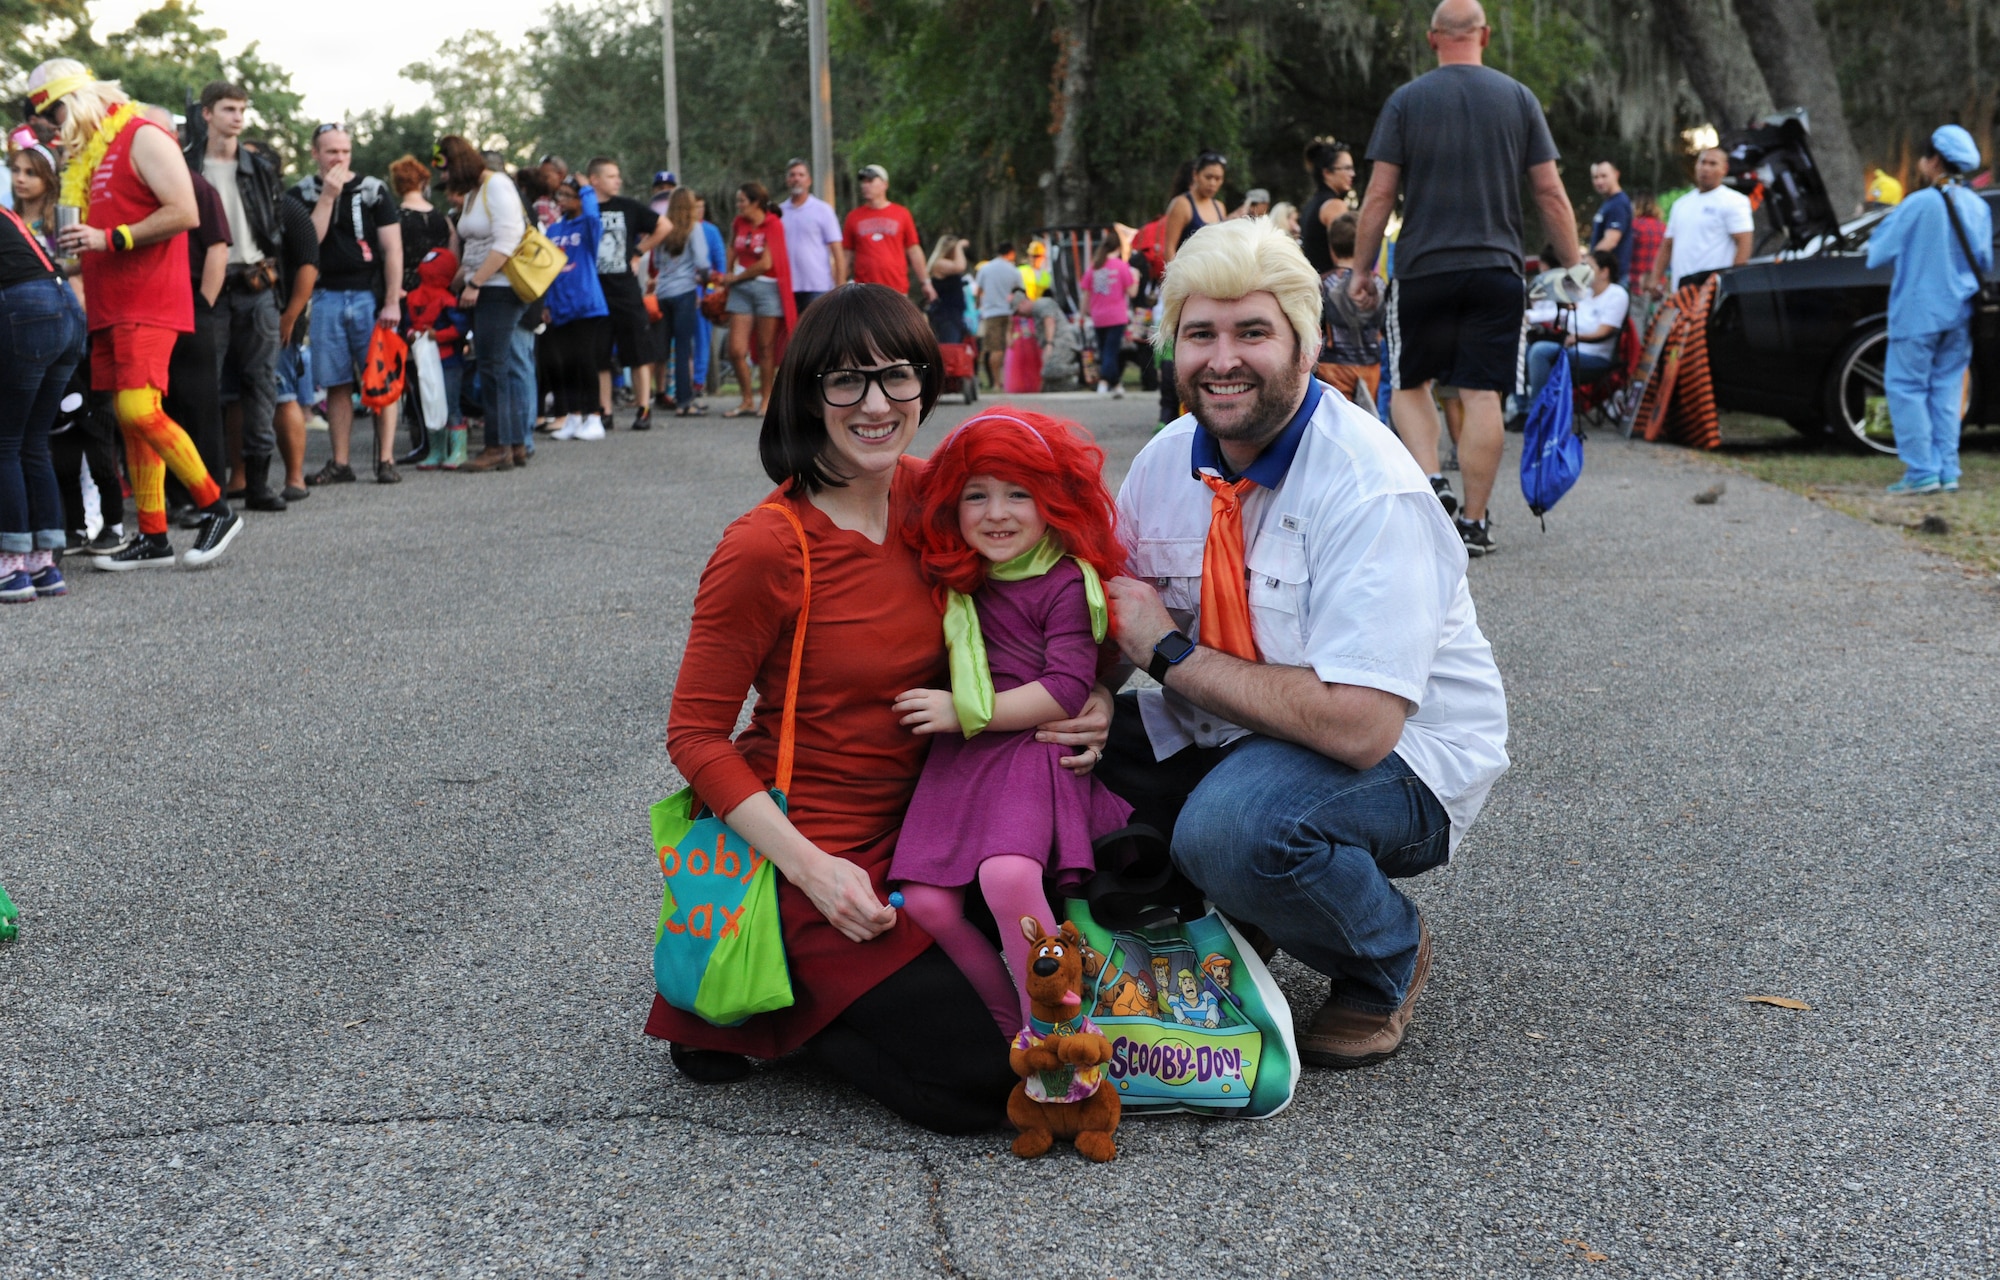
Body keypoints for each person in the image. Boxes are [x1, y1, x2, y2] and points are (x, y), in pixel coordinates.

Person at [651, 283, 1111, 1131]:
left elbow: (1051, 606)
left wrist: (1099, 696)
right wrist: (813, 872)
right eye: (846, 382)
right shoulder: (766, 545)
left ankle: (807, 1004)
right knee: (986, 1087)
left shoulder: (943, 497)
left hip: (940, 828)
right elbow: (693, 734)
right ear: (805, 393)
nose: (876, 405)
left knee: (1074, 950)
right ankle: (779, 1022)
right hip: (815, 853)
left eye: (897, 377)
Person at [1100, 215, 1507, 1069]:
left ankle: (1384, 954)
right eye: (1200, 333)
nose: (1223, 358)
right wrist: (1074, 700)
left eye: (1253, 331)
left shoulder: (1370, 488)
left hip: (1402, 757)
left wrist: (1167, 653)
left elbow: (1360, 727)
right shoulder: (1166, 461)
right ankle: (1244, 918)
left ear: (1303, 342)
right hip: (1234, 728)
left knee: (1235, 828)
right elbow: (1114, 628)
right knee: (1048, 757)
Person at [889, 410, 1133, 1034]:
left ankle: (1061, 1034)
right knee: (924, 902)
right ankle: (1008, 1022)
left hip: (1028, 743)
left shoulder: (1064, 581)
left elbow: (1067, 686)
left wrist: (961, 710)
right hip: (963, 760)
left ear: (1053, 501)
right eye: (977, 496)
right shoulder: (956, 576)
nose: (996, 513)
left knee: (1007, 875)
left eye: (1018, 494)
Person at [1350, 0, 1580, 557]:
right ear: (1486, 34)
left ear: (1432, 39)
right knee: (1482, 394)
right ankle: (1474, 524)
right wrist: (1573, 263)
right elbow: (1549, 192)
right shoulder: (1518, 98)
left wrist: (1361, 269)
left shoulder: (1406, 101)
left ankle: (1432, 489)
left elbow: (1380, 194)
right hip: (1497, 269)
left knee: (1409, 384)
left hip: (1424, 267)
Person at [29, 59, 243, 569]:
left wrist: (110, 237)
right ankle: (154, 535)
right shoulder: (88, 154)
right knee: (131, 423)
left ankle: (216, 507)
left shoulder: (143, 135)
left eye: (55, 115)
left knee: (137, 410)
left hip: (148, 298)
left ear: (75, 100)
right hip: (109, 301)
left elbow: (185, 213)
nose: (56, 128)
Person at [1866, 125, 1993, 496]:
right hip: (1961, 313)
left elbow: (1878, 254)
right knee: (1947, 389)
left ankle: (1922, 469)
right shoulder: (1978, 206)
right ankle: (1947, 469)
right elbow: (1983, 260)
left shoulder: (1920, 203)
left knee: (1906, 387)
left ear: (1933, 161)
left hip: (1918, 312)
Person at [190, 82, 290, 510]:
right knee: (202, 389)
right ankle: (205, 491)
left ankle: (259, 485)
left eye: (242, 109)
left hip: (256, 285)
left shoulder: (260, 167)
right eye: (228, 109)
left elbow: (277, 229)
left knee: (261, 386)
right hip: (207, 286)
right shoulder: (184, 163)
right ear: (207, 113)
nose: (238, 117)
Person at [293, 123, 403, 485]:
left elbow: (392, 249)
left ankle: (385, 459)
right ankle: (340, 462)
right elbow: (308, 243)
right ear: (316, 154)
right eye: (331, 152)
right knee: (337, 383)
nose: (339, 158)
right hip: (325, 296)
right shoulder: (302, 192)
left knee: (380, 379)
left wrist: (392, 301)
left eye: (345, 151)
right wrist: (327, 196)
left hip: (368, 296)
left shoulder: (373, 190)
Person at [0, 187, 88, 600]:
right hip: (66, 307)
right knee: (33, 443)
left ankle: (9, 566)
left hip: (28, 309)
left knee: (5, 444)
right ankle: (44, 565)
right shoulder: (6, 215)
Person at [444, 135, 533, 472]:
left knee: (493, 366)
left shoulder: (496, 185)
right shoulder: (474, 193)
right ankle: (515, 444)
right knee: (501, 366)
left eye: (446, 169)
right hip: (485, 282)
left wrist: (476, 282)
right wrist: (462, 275)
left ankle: (498, 446)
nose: (444, 178)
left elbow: (509, 238)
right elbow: (477, 242)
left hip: (500, 285)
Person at [584, 157, 670, 430]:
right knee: (599, 355)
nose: (617, 181)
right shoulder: (585, 210)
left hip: (625, 291)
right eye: (611, 176)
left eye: (617, 175)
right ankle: (604, 410)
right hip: (595, 292)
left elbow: (664, 226)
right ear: (595, 180)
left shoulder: (628, 207)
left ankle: (643, 408)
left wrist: (638, 252)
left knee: (638, 352)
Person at [387, 153, 453, 462]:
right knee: (438, 368)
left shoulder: (395, 217)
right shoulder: (442, 218)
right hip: (439, 301)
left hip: (407, 299)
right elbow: (453, 257)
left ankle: (422, 438)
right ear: (424, 181)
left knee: (413, 370)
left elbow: (391, 255)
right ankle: (445, 435)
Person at [541, 177, 611, 441]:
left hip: (586, 305)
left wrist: (587, 188)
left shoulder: (588, 226)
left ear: (579, 199)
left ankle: (594, 417)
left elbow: (594, 214)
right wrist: (546, 303)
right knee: (565, 363)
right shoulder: (554, 230)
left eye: (567, 195)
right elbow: (547, 267)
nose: (561, 200)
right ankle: (573, 416)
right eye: (559, 195)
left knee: (585, 360)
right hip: (560, 305)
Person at [719, 181, 797, 419]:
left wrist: (736, 277)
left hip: (767, 288)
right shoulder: (739, 223)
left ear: (755, 202)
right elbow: (732, 248)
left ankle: (766, 399)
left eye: (742, 201)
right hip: (741, 289)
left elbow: (766, 263)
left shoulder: (773, 224)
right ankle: (746, 399)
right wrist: (726, 273)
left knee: (766, 348)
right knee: (735, 349)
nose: (738, 205)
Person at [1522, 248, 1628, 404]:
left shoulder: (1616, 294)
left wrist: (1577, 338)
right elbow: (1564, 315)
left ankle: (1539, 411)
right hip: (1570, 347)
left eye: (1589, 268)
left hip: (1593, 355)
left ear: (1604, 272)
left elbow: (1604, 331)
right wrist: (1530, 316)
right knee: (1526, 348)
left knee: (1540, 351)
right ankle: (1523, 407)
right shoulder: (1586, 293)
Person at [269, 193, 319, 498]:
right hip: (234, 314)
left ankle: (295, 478)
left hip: (281, 315)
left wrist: (290, 316)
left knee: (283, 394)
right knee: (233, 397)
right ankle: (239, 477)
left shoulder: (289, 207)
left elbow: (309, 263)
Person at [1649, 148, 1752, 293]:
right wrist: (1655, 279)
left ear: (1724, 169)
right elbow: (1667, 244)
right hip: (1681, 291)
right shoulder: (1681, 204)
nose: (1706, 168)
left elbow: (1744, 242)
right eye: (1702, 162)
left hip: (1711, 291)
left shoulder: (1734, 201)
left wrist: (1732, 284)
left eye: (1713, 164)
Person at [652, 186, 711, 418]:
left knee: (662, 347)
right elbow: (703, 262)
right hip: (685, 291)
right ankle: (685, 400)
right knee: (684, 346)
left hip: (663, 292)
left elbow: (656, 262)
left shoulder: (662, 228)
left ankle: (658, 393)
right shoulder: (693, 228)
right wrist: (703, 280)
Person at [1319, 212, 1384, 405]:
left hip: (1333, 365)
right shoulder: (1377, 284)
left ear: (1332, 248)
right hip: (1371, 365)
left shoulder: (1324, 284)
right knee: (1366, 420)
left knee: (1336, 418)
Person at [842, 164, 933, 303]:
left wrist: (925, 282)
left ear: (884, 184)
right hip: (864, 290)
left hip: (896, 289)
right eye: (863, 181)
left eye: (870, 181)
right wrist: (838, 282)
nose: (865, 185)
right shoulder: (853, 217)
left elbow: (914, 250)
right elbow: (846, 255)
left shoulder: (902, 214)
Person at [781, 157, 846, 314]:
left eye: (801, 175)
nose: (797, 179)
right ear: (787, 180)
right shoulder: (779, 212)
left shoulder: (822, 210)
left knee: (817, 333)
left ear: (809, 180)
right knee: (791, 335)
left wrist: (841, 286)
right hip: (787, 286)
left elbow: (837, 251)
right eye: (792, 175)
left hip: (818, 286)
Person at [1085, 239, 1136, 397]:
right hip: (1116, 315)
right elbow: (1132, 292)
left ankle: (1116, 384)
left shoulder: (1094, 266)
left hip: (1098, 315)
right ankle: (1104, 381)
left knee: (1104, 350)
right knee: (1110, 351)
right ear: (1118, 249)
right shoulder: (1121, 266)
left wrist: (1082, 314)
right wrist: (1136, 277)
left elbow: (1085, 293)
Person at [1300, 140, 1358, 278]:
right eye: (1347, 168)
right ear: (1327, 172)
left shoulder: (1311, 205)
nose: (1353, 174)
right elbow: (1342, 256)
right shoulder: (1334, 206)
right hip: (1332, 287)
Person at [974, 241, 1024, 389]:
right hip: (1009, 313)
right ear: (1010, 252)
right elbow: (1020, 292)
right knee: (1010, 347)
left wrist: (980, 305)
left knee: (995, 349)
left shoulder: (985, 268)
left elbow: (978, 291)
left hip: (991, 313)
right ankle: (1010, 380)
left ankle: (996, 382)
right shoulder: (1013, 270)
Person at [1588, 159, 1634, 284]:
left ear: (1616, 175)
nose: (1599, 181)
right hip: (1604, 277)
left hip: (1612, 278)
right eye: (1595, 177)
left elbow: (1611, 240)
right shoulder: (1609, 203)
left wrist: (1588, 262)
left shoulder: (1618, 204)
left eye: (1604, 176)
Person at [925, 233, 969, 344]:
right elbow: (960, 266)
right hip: (946, 315)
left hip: (955, 314)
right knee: (949, 348)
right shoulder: (939, 263)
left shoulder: (948, 266)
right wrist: (959, 246)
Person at [1003, 288, 1047, 394]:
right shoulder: (1014, 314)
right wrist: (1009, 339)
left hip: (1032, 341)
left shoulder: (1032, 310)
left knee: (1034, 365)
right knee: (1019, 367)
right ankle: (1020, 386)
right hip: (1019, 341)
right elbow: (1009, 329)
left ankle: (1036, 386)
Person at [1626, 194, 1665, 293]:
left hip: (1636, 283)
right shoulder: (1663, 227)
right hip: (1658, 284)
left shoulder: (1634, 225)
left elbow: (1627, 253)